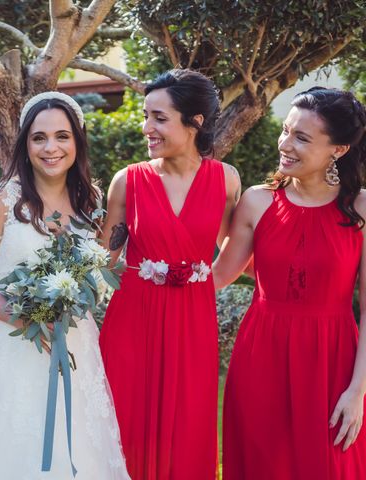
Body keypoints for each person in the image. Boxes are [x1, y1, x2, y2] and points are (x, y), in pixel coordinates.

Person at [0, 92, 130, 479]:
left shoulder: (90, 201)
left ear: (77, 142)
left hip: (75, 344)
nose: (51, 148)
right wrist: (24, 317)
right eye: (39, 138)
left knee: (78, 443)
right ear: (25, 144)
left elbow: (96, 267)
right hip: (12, 345)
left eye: (62, 136)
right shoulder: (3, 200)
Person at [214, 87, 366, 479]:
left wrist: (357, 391)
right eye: (285, 131)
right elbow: (218, 276)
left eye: (302, 137)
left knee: (332, 466)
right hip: (260, 356)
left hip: (334, 360)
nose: (286, 144)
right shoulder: (257, 201)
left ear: (339, 149)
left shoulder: (361, 210)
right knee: (263, 465)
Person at [98, 69, 241, 479]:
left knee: (187, 421)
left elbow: (234, 244)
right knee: (125, 420)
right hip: (133, 318)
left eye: (159, 118)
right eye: (146, 116)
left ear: (195, 122)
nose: (147, 128)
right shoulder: (128, 181)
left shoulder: (227, 180)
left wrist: (203, 280)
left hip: (192, 319)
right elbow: (105, 260)